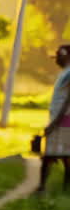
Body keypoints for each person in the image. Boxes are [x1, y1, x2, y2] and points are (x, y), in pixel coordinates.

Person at [39, 44, 70, 192]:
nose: (56, 59)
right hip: (59, 120)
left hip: (63, 121)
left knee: (50, 156)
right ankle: (63, 189)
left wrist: (54, 123)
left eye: (59, 56)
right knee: (64, 156)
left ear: (67, 56)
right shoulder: (64, 73)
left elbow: (67, 101)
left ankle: (42, 187)